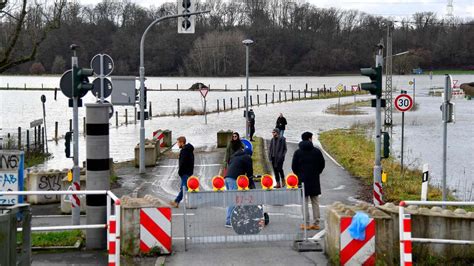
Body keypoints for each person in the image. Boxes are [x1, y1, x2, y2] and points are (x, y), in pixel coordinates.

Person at [291, 132, 325, 230]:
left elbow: (294, 167)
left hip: (302, 180)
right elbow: (322, 164)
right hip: (314, 179)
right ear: (310, 139)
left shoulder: (298, 152)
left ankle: (306, 223)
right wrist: (317, 172)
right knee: (315, 201)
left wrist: (299, 175)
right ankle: (316, 223)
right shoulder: (317, 151)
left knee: (304, 202)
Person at [224, 147, 253, 228]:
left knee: (235, 199)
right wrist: (250, 184)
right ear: (249, 154)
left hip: (226, 178)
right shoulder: (247, 158)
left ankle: (235, 217)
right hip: (233, 179)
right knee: (233, 200)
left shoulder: (235, 156)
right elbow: (250, 173)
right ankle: (229, 221)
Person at [169, 136, 194, 208]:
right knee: (183, 187)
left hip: (184, 172)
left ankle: (177, 201)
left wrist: (180, 172)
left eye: (178, 143)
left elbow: (182, 162)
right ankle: (177, 202)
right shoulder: (189, 150)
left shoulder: (184, 151)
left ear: (182, 143)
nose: (177, 144)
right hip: (188, 171)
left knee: (184, 188)